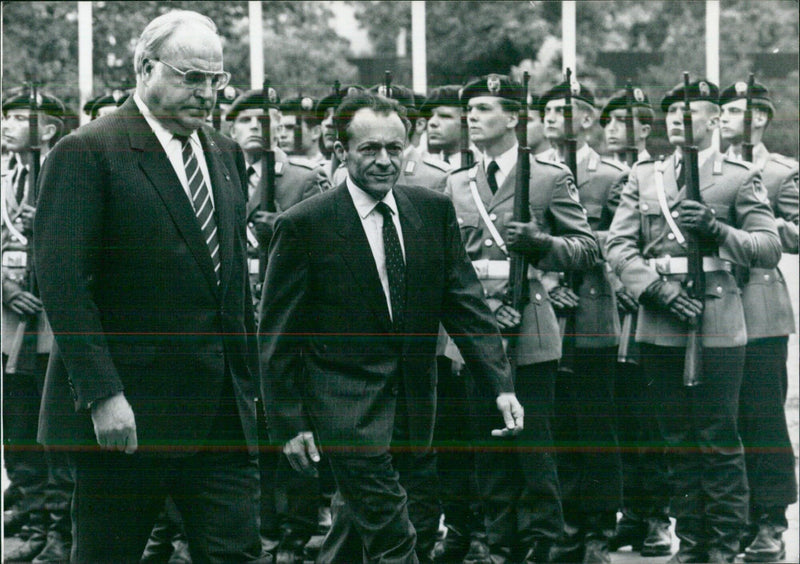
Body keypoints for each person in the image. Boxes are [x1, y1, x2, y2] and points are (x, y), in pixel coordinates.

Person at [33, 11, 266, 563]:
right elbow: (63, 284)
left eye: (216, 80)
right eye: (191, 76)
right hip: (128, 416)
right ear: (144, 67)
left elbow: (229, 288)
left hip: (220, 420)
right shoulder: (88, 152)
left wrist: (250, 387)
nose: (207, 93)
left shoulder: (226, 153)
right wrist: (103, 395)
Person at [258, 91, 524, 564]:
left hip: (415, 405)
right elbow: (277, 337)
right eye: (369, 149)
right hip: (344, 411)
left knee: (359, 532)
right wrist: (290, 422)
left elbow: (464, 303)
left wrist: (500, 385)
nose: (384, 161)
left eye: (394, 149)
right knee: (394, 538)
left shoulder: (431, 211)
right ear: (341, 152)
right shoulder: (304, 225)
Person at [606, 78, 782, 564]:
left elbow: (768, 247)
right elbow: (618, 245)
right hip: (661, 319)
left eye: (693, 113)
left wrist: (718, 230)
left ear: (715, 121)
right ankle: (692, 545)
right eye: (673, 115)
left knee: (718, 439)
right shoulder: (648, 177)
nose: (680, 122)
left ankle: (721, 548)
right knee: (676, 441)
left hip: (719, 318)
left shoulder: (738, 176)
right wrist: (655, 289)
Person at [440, 74, 598, 563]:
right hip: (473, 327)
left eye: (486, 108)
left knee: (532, 443)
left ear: (513, 118)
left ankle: (540, 543)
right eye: (470, 109)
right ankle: (499, 541)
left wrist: (543, 245)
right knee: (486, 446)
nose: (473, 116)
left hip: (528, 323)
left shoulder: (548, 177)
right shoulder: (456, 183)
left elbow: (587, 249)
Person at [226, 86, 331, 562]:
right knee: (249, 426)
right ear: (231, 127)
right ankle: (262, 530)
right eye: (246, 119)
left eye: (266, 119)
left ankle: (296, 531)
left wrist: (280, 233)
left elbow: (324, 247)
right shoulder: (220, 173)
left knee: (289, 418)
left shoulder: (304, 179)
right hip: (237, 314)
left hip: (287, 317)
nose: (256, 128)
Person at [539, 79, 627, 564]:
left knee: (595, 423)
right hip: (547, 309)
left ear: (589, 118)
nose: (553, 117)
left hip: (592, 309)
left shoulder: (610, 176)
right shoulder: (533, 172)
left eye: (564, 109)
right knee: (557, 424)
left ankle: (598, 527)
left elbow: (617, 242)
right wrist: (550, 279)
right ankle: (566, 523)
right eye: (547, 109)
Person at [719, 80, 798, 563]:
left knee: (762, 414)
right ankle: (734, 517)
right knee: (721, 416)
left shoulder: (781, 172)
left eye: (734, 110)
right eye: (721, 111)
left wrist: (760, 216)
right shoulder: (708, 169)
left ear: (761, 117)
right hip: (713, 301)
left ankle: (771, 519)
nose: (724, 118)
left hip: (761, 306)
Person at [600, 88, 673, 557]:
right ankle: (629, 511)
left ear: (645, 129)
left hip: (645, 305)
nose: (611, 129)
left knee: (651, 417)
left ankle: (657, 517)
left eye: (623, 121)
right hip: (603, 306)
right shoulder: (598, 176)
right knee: (618, 415)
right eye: (606, 121)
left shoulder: (660, 176)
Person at [2, 90, 73, 563]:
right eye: (5, 116)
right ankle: (30, 520)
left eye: (19, 117)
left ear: (47, 129)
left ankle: (59, 529)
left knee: (55, 431)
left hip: (53, 324)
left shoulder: (65, 174)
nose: (7, 123)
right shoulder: (6, 178)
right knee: (18, 428)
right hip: (10, 324)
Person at [419, 85, 470, 169]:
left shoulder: (482, 164)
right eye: (430, 117)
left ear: (467, 121)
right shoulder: (422, 164)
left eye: (444, 116)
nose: (432, 122)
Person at [279, 96, 326, 165]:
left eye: (290, 127)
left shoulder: (328, 171)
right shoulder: (277, 169)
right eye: (279, 128)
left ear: (316, 132)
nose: (282, 135)